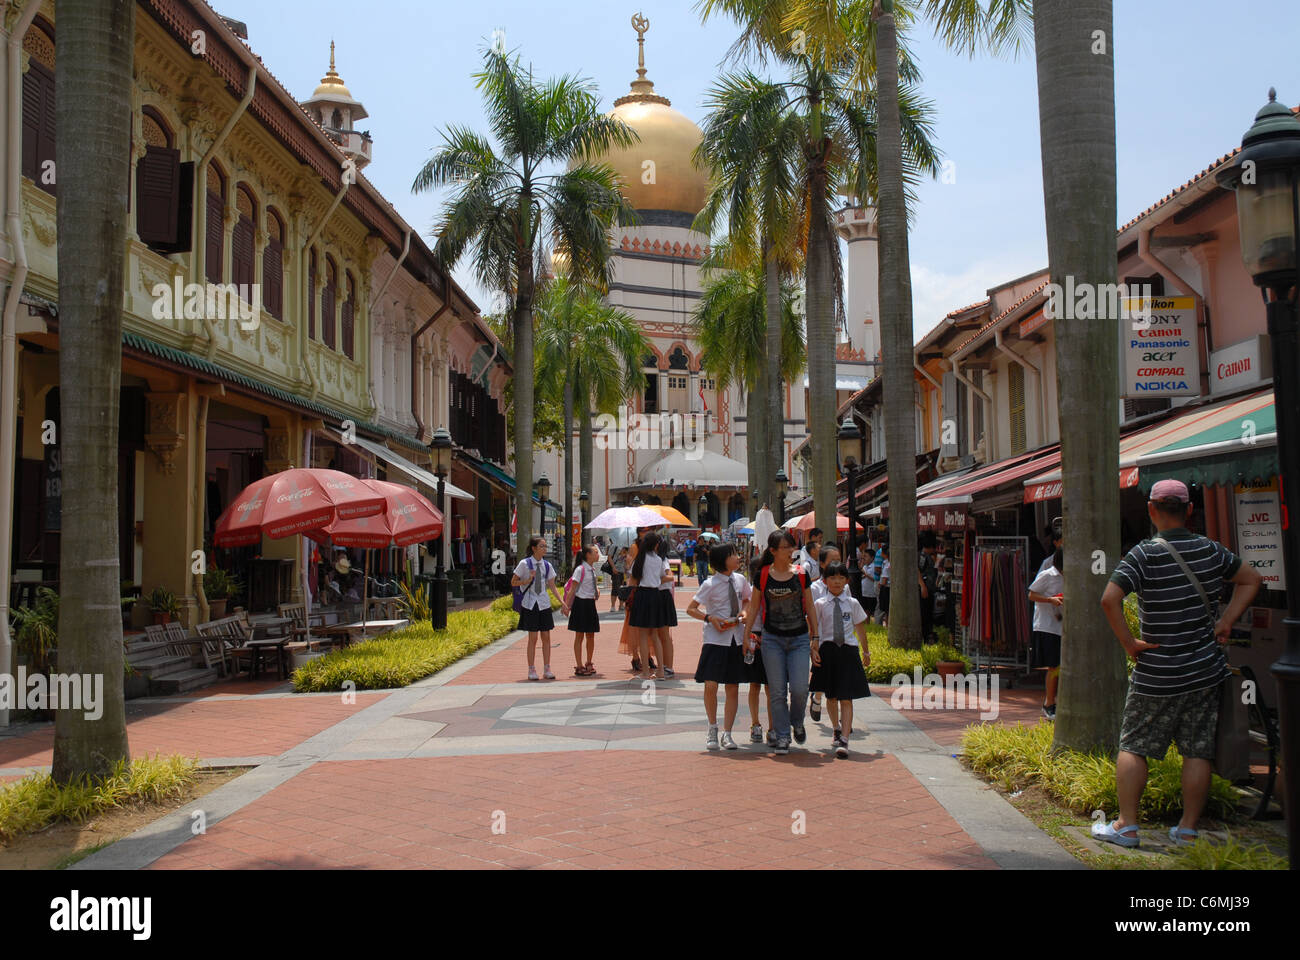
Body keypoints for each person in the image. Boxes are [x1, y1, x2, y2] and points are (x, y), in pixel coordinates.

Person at [1095, 479, 1262, 848]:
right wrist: (1226, 621)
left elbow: (1109, 599)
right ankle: (1187, 829)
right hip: (1204, 671)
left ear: (1152, 510)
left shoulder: (1143, 554)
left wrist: (1130, 643)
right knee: (1196, 750)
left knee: (1135, 745)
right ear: (1189, 511)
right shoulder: (1211, 551)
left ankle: (1127, 826)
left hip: (1156, 672)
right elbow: (1251, 579)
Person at [741, 530, 818, 755]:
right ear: (773, 551)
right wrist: (746, 636)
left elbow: (810, 606)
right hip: (772, 639)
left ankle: (797, 722)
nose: (790, 550)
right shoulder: (763, 575)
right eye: (785, 547)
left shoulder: (801, 574)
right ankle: (783, 735)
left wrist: (816, 637)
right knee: (776, 691)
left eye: (791, 546)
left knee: (800, 688)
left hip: (799, 639)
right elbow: (754, 607)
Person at [687, 542, 753, 750]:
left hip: (736, 638)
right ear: (723, 560)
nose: (738, 557)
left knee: (732, 686)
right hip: (715, 640)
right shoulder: (710, 584)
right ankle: (712, 727)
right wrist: (710, 618)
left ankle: (728, 733)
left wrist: (744, 613)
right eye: (733, 555)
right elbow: (691, 609)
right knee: (711, 685)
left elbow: (747, 601)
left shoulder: (741, 580)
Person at [809, 562, 872, 758]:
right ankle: (836, 728)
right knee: (831, 696)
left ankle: (844, 738)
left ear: (846, 581)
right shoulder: (819, 605)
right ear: (825, 581)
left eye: (840, 578)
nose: (836, 582)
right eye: (832, 578)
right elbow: (814, 629)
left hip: (848, 652)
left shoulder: (852, 603)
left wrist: (866, 652)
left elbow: (860, 628)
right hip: (827, 651)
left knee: (846, 697)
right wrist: (814, 649)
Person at [512, 536, 563, 681]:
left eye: (545, 546)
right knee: (533, 638)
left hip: (543, 603)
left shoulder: (547, 565)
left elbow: (552, 585)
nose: (544, 549)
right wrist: (527, 580)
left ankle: (547, 668)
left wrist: (562, 601)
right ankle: (531, 669)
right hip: (530, 603)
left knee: (546, 636)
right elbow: (513, 582)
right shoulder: (524, 563)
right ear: (534, 548)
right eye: (542, 546)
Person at [1027, 547, 1064, 719]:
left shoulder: (1069, 576)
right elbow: (1032, 595)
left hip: (1062, 626)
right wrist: (1050, 600)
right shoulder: (1048, 574)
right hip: (1047, 626)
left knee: (1060, 666)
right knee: (1053, 665)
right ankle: (1049, 702)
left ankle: (1055, 701)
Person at [629, 531, 669, 681]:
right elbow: (661, 577)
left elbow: (632, 580)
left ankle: (645, 672)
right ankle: (661, 671)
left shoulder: (640, 559)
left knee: (643, 635)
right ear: (656, 545)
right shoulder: (658, 559)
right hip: (655, 596)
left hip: (643, 595)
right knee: (655, 634)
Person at [807, 544, 840, 722]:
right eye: (832, 561)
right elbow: (810, 616)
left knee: (840, 679)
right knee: (823, 675)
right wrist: (814, 639)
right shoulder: (815, 589)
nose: (837, 564)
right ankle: (817, 697)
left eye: (839, 560)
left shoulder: (845, 587)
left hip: (840, 640)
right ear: (822, 564)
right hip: (822, 639)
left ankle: (842, 720)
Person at [563, 545, 602, 676]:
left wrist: (596, 591)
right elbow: (572, 589)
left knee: (591, 635)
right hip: (580, 604)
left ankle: (589, 662)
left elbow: (591, 586)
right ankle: (579, 665)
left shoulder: (592, 570)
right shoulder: (580, 569)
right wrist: (566, 606)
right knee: (579, 635)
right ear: (588, 555)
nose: (597, 554)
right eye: (595, 552)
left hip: (590, 604)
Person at [919, 532, 939, 643]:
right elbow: (919, 571)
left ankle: (928, 635)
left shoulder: (929, 556)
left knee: (928, 613)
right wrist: (923, 586)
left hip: (930, 589)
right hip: (926, 590)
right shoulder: (923, 556)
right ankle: (926, 637)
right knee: (925, 614)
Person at [876, 545, 891, 626]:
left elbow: (884, 579)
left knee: (887, 609)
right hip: (886, 587)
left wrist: (881, 584)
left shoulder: (888, 565)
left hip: (886, 588)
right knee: (887, 609)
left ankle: (888, 625)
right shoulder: (886, 562)